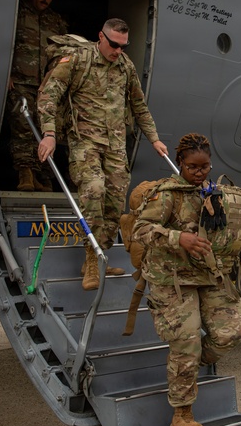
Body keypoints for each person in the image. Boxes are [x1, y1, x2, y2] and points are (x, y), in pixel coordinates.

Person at [131, 133, 241, 426]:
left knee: (231, 333)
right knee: (187, 340)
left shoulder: (215, 194)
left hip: (208, 275)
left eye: (205, 167)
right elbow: (141, 229)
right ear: (180, 163)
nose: (199, 173)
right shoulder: (167, 194)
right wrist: (179, 238)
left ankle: (185, 363)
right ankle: (182, 412)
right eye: (192, 167)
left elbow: (224, 237)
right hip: (173, 279)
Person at [37, 18, 167, 289]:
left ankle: (100, 254)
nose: (118, 51)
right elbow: (49, 95)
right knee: (94, 190)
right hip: (85, 143)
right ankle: (91, 258)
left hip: (115, 146)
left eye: (123, 46)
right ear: (101, 37)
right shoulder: (78, 60)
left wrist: (154, 139)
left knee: (115, 202)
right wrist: (49, 134)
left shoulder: (125, 66)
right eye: (114, 45)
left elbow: (139, 105)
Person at [7, 0, 68, 191]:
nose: (46, 0)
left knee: (47, 131)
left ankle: (42, 178)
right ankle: (26, 175)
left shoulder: (56, 21)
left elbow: (65, 53)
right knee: (23, 129)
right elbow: (3, 42)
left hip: (47, 87)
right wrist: (6, 73)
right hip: (21, 81)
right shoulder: (17, 13)